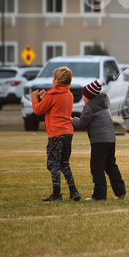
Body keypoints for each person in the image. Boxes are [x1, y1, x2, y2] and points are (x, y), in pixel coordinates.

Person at [31, 66, 81, 202]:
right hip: (68, 131)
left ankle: (56, 194)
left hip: (56, 133)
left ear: (57, 79)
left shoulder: (53, 95)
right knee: (65, 162)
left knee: (53, 164)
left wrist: (35, 98)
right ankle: (73, 191)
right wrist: (45, 98)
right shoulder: (69, 94)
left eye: (53, 78)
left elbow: (38, 110)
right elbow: (56, 107)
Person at [73, 80, 126, 200]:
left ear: (89, 96)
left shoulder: (89, 107)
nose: (83, 97)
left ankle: (99, 195)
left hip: (100, 141)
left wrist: (72, 120)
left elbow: (82, 124)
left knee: (97, 167)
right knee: (110, 165)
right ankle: (120, 191)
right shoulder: (103, 105)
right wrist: (79, 120)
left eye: (84, 95)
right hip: (110, 139)